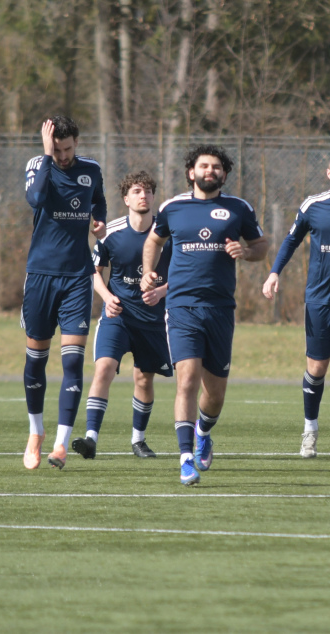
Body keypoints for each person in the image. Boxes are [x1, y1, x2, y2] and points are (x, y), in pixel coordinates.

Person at [142, 145, 269, 486]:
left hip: (220, 309)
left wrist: (246, 251)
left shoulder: (238, 208)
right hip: (182, 306)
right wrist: (147, 272)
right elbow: (153, 241)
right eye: (203, 166)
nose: (209, 171)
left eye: (216, 167)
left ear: (224, 174)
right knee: (186, 380)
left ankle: (203, 432)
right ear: (191, 171)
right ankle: (185, 459)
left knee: (214, 395)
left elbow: (261, 246)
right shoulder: (173, 207)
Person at [262, 152, 330, 458]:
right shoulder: (312, 205)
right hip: (320, 300)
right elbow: (290, 240)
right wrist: (274, 273)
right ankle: (310, 430)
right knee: (317, 368)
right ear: (328, 173)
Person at [21, 116, 107, 470]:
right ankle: (36, 433)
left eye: (68, 149)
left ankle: (60, 444)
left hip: (76, 276)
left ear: (77, 143)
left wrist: (99, 221)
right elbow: (36, 198)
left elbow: (98, 202)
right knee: (36, 360)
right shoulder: (37, 165)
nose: (63, 155)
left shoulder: (91, 169)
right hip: (40, 275)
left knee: (72, 360)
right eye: (57, 149)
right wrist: (45, 156)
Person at [71, 171, 171, 461]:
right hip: (118, 317)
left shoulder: (168, 234)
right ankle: (90, 439)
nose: (144, 196)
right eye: (137, 191)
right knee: (103, 369)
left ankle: (138, 441)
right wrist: (106, 297)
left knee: (143, 379)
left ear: (153, 197)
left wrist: (161, 292)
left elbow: (184, 274)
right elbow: (94, 272)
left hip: (152, 321)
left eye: (149, 191)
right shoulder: (111, 233)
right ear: (126, 198)